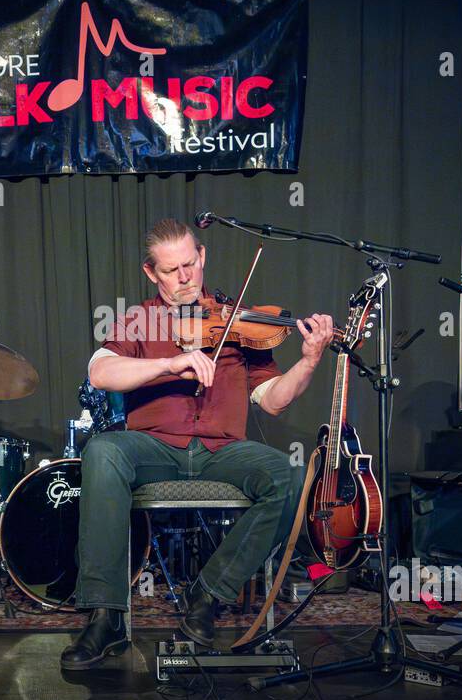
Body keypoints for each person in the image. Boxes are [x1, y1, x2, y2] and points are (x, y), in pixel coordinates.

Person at [61, 219, 335, 669]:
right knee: (103, 451)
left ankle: (208, 594)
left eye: (190, 264)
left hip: (222, 451)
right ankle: (105, 615)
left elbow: (273, 402)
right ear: (152, 273)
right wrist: (170, 363)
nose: (185, 277)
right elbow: (101, 372)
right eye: (172, 270)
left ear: (202, 257)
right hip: (154, 449)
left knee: (287, 476)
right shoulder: (139, 319)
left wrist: (307, 362)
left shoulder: (239, 320)